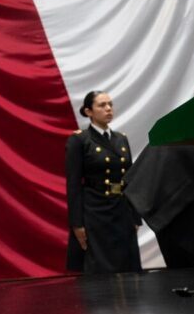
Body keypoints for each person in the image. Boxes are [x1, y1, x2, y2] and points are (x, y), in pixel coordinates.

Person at [65, 90, 141, 273]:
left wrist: (135, 215)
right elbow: (73, 185)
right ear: (88, 111)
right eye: (101, 105)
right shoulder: (80, 140)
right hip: (95, 210)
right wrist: (77, 223)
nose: (108, 109)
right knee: (101, 268)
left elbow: (129, 179)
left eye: (110, 104)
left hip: (121, 209)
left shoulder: (121, 139)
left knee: (128, 266)